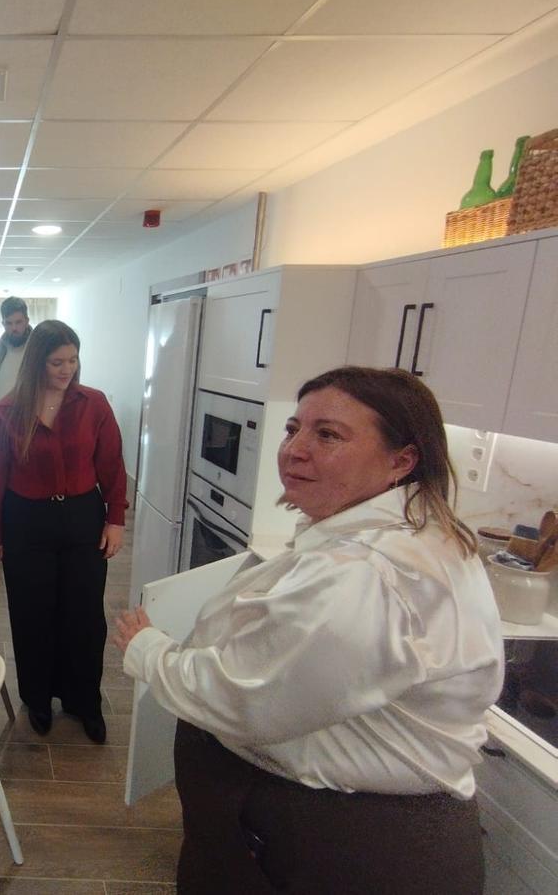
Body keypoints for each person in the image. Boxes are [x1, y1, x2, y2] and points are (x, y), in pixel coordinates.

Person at [113, 366, 504, 895]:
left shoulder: (366, 575)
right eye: (293, 429)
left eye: (328, 434)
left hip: (345, 843)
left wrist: (148, 649)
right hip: (326, 825)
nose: (294, 448)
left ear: (402, 460)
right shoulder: (406, 532)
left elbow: (243, 695)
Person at [0, 320, 127, 744]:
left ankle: (85, 701)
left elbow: (112, 466)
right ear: (36, 363)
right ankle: (38, 699)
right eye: (57, 362)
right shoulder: (7, 412)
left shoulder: (93, 404)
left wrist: (115, 518)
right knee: (32, 614)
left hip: (83, 519)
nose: (67, 369)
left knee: (84, 617)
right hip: (26, 521)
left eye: (73, 360)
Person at [0, 295, 32, 406]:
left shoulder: (41, 348)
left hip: (33, 418)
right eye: (9, 323)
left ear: (27, 321)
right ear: (3, 324)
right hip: (2, 419)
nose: (14, 328)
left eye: (18, 322)